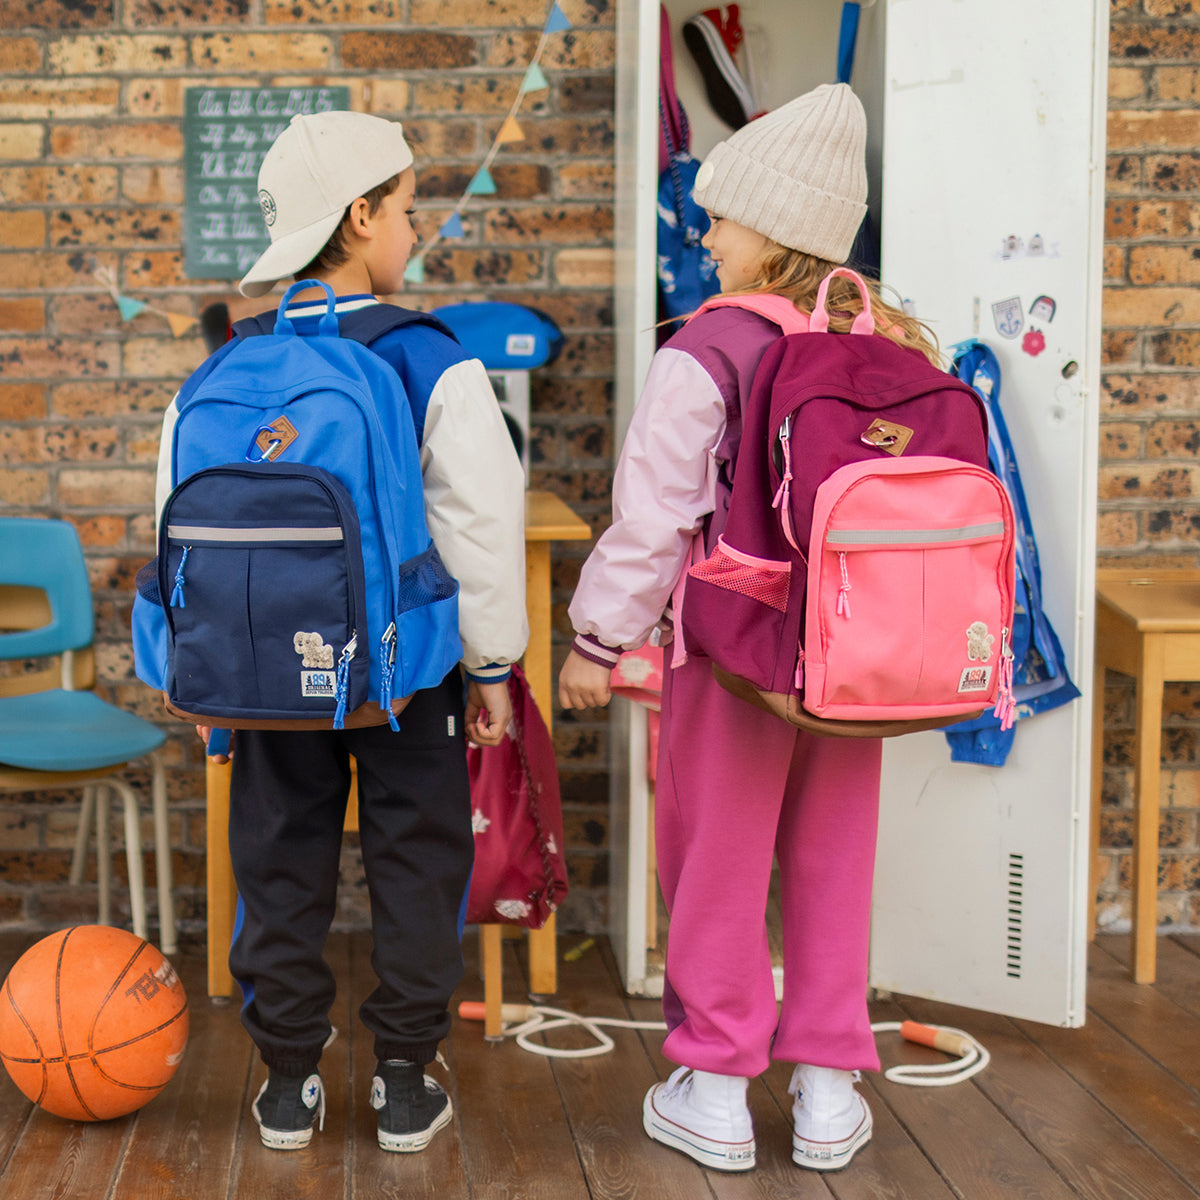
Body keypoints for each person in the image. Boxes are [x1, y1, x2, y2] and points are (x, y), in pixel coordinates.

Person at [559, 84, 939, 1174]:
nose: (707, 237)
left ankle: (719, 1088)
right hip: (854, 660)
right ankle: (827, 1090)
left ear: (771, 229)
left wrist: (596, 643)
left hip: (732, 657)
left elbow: (652, 520)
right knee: (833, 862)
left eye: (721, 218)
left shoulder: (709, 347)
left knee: (715, 864)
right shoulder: (888, 340)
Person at [164, 111, 528, 1153]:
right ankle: (405, 1080)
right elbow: (481, 525)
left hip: (261, 674)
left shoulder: (228, 365)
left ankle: (288, 1082)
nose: (414, 230)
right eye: (407, 209)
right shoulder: (429, 356)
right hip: (404, 678)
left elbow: (180, 529)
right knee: (417, 863)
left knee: (278, 864)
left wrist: (205, 678)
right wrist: (491, 665)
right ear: (361, 216)